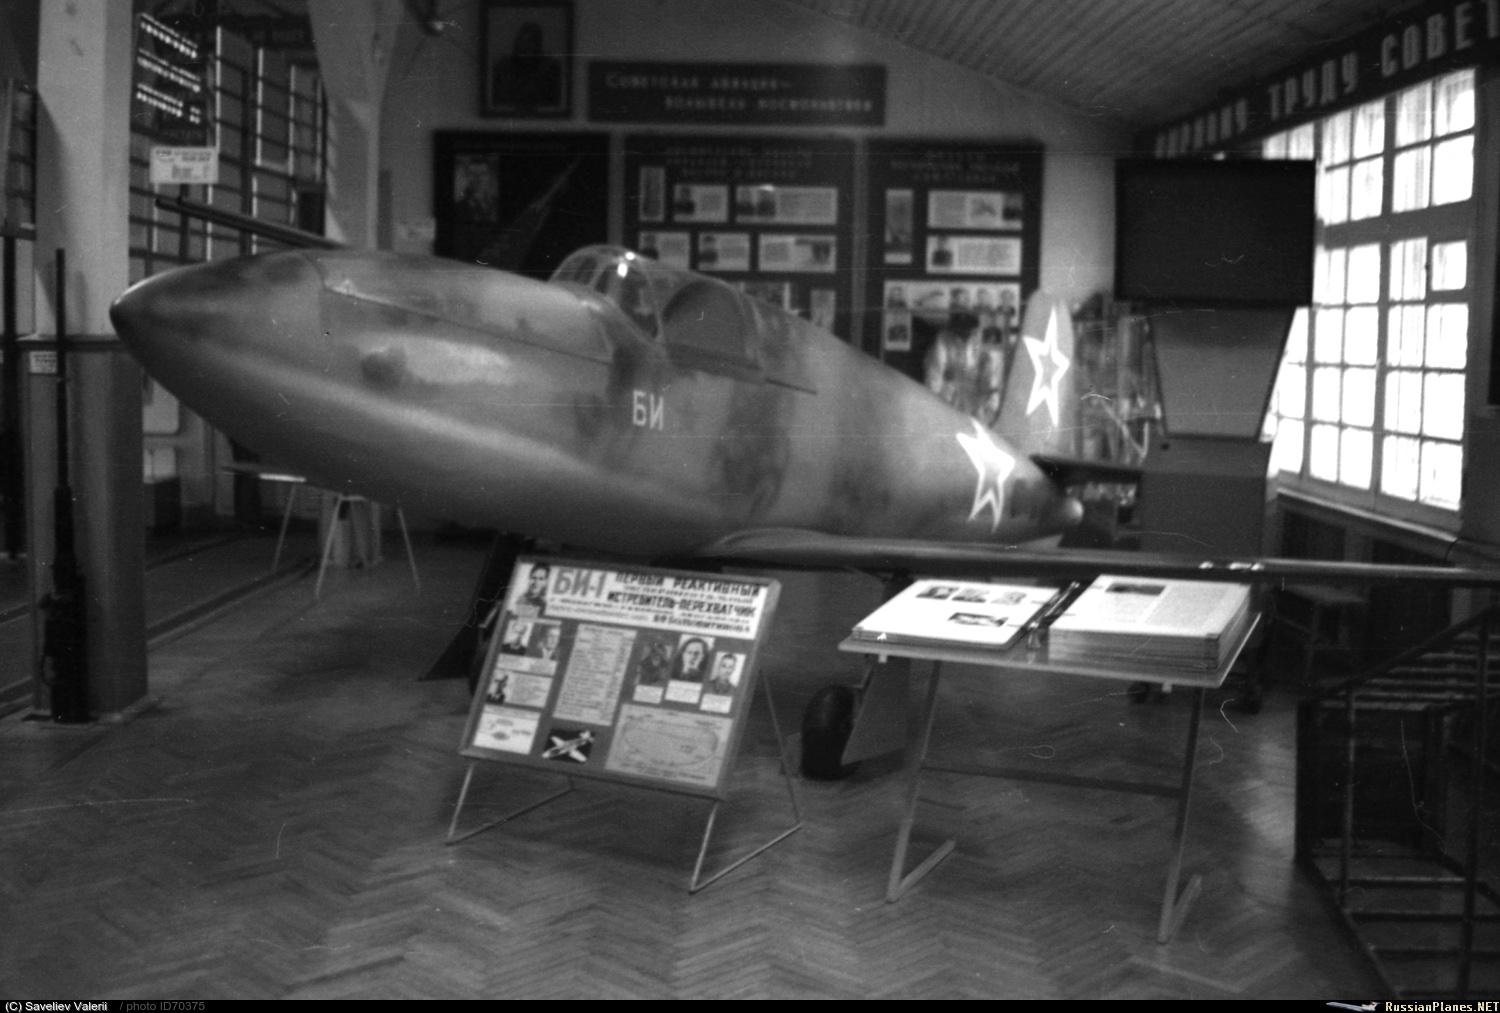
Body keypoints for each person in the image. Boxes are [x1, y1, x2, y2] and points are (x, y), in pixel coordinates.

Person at [491, 20, 563, 112]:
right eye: (522, 42)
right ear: (517, 42)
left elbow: (553, 103)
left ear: (538, 45)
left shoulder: (551, 68)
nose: (526, 47)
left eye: (531, 42)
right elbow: (498, 102)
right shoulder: (502, 67)